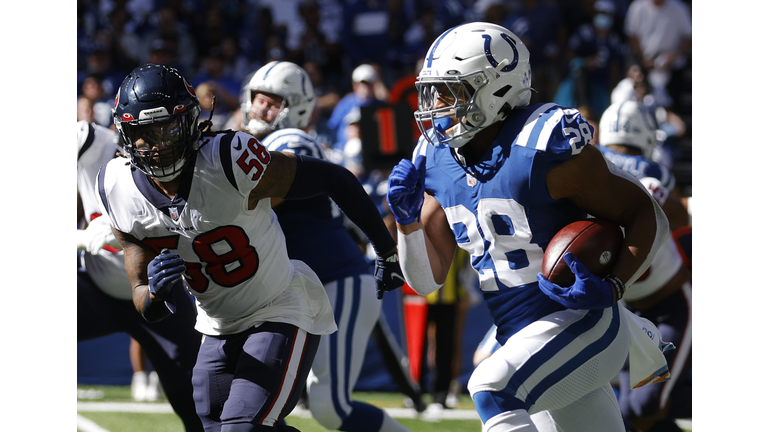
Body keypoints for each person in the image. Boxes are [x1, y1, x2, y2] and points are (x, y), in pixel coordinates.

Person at [385, 23, 672, 432]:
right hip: (522, 338)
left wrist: (616, 285)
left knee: (489, 385)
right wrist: (407, 223)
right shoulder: (436, 157)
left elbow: (646, 213)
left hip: (582, 323)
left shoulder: (542, 144)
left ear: (496, 87)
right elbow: (427, 280)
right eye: (435, 91)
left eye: (453, 91)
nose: (439, 105)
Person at [99, 63, 404, 432]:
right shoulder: (117, 187)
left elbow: (332, 178)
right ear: (126, 134)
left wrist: (386, 249)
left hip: (279, 305)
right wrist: (156, 294)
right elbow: (144, 300)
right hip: (217, 324)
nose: (157, 143)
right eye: (143, 132)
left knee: (244, 426)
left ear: (191, 120)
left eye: (166, 126)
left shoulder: (228, 158)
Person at [240, 60, 412, 432]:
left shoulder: (291, 142)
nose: (261, 110)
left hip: (336, 281)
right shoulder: (258, 146)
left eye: (272, 102)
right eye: (257, 100)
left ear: (297, 106)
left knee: (329, 405)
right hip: (298, 291)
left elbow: (251, 196)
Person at [77, 120, 203, 431]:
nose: (151, 140)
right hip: (96, 285)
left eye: (161, 127)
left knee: (197, 404)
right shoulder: (88, 142)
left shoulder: (191, 158)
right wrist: (78, 237)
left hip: (159, 294)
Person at [596, 101, 692, 432]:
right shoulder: (654, 171)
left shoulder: (590, 167)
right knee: (632, 409)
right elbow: (680, 216)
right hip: (637, 309)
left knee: (644, 405)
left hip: (666, 305)